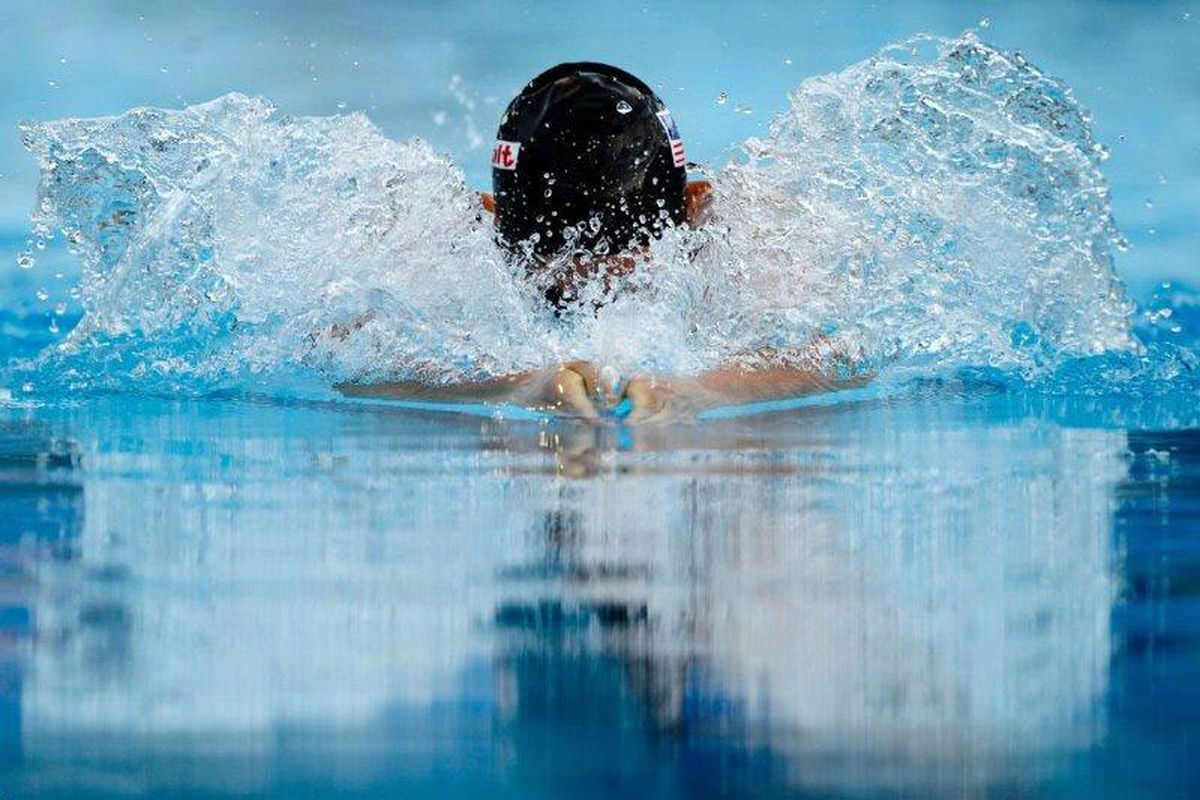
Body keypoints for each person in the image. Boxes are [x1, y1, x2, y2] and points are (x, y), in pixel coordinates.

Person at [342, 62, 862, 421]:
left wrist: (697, 392)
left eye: (623, 263)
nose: (591, 286)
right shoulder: (438, 257)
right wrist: (521, 386)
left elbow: (842, 356)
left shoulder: (751, 246)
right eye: (558, 268)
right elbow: (341, 349)